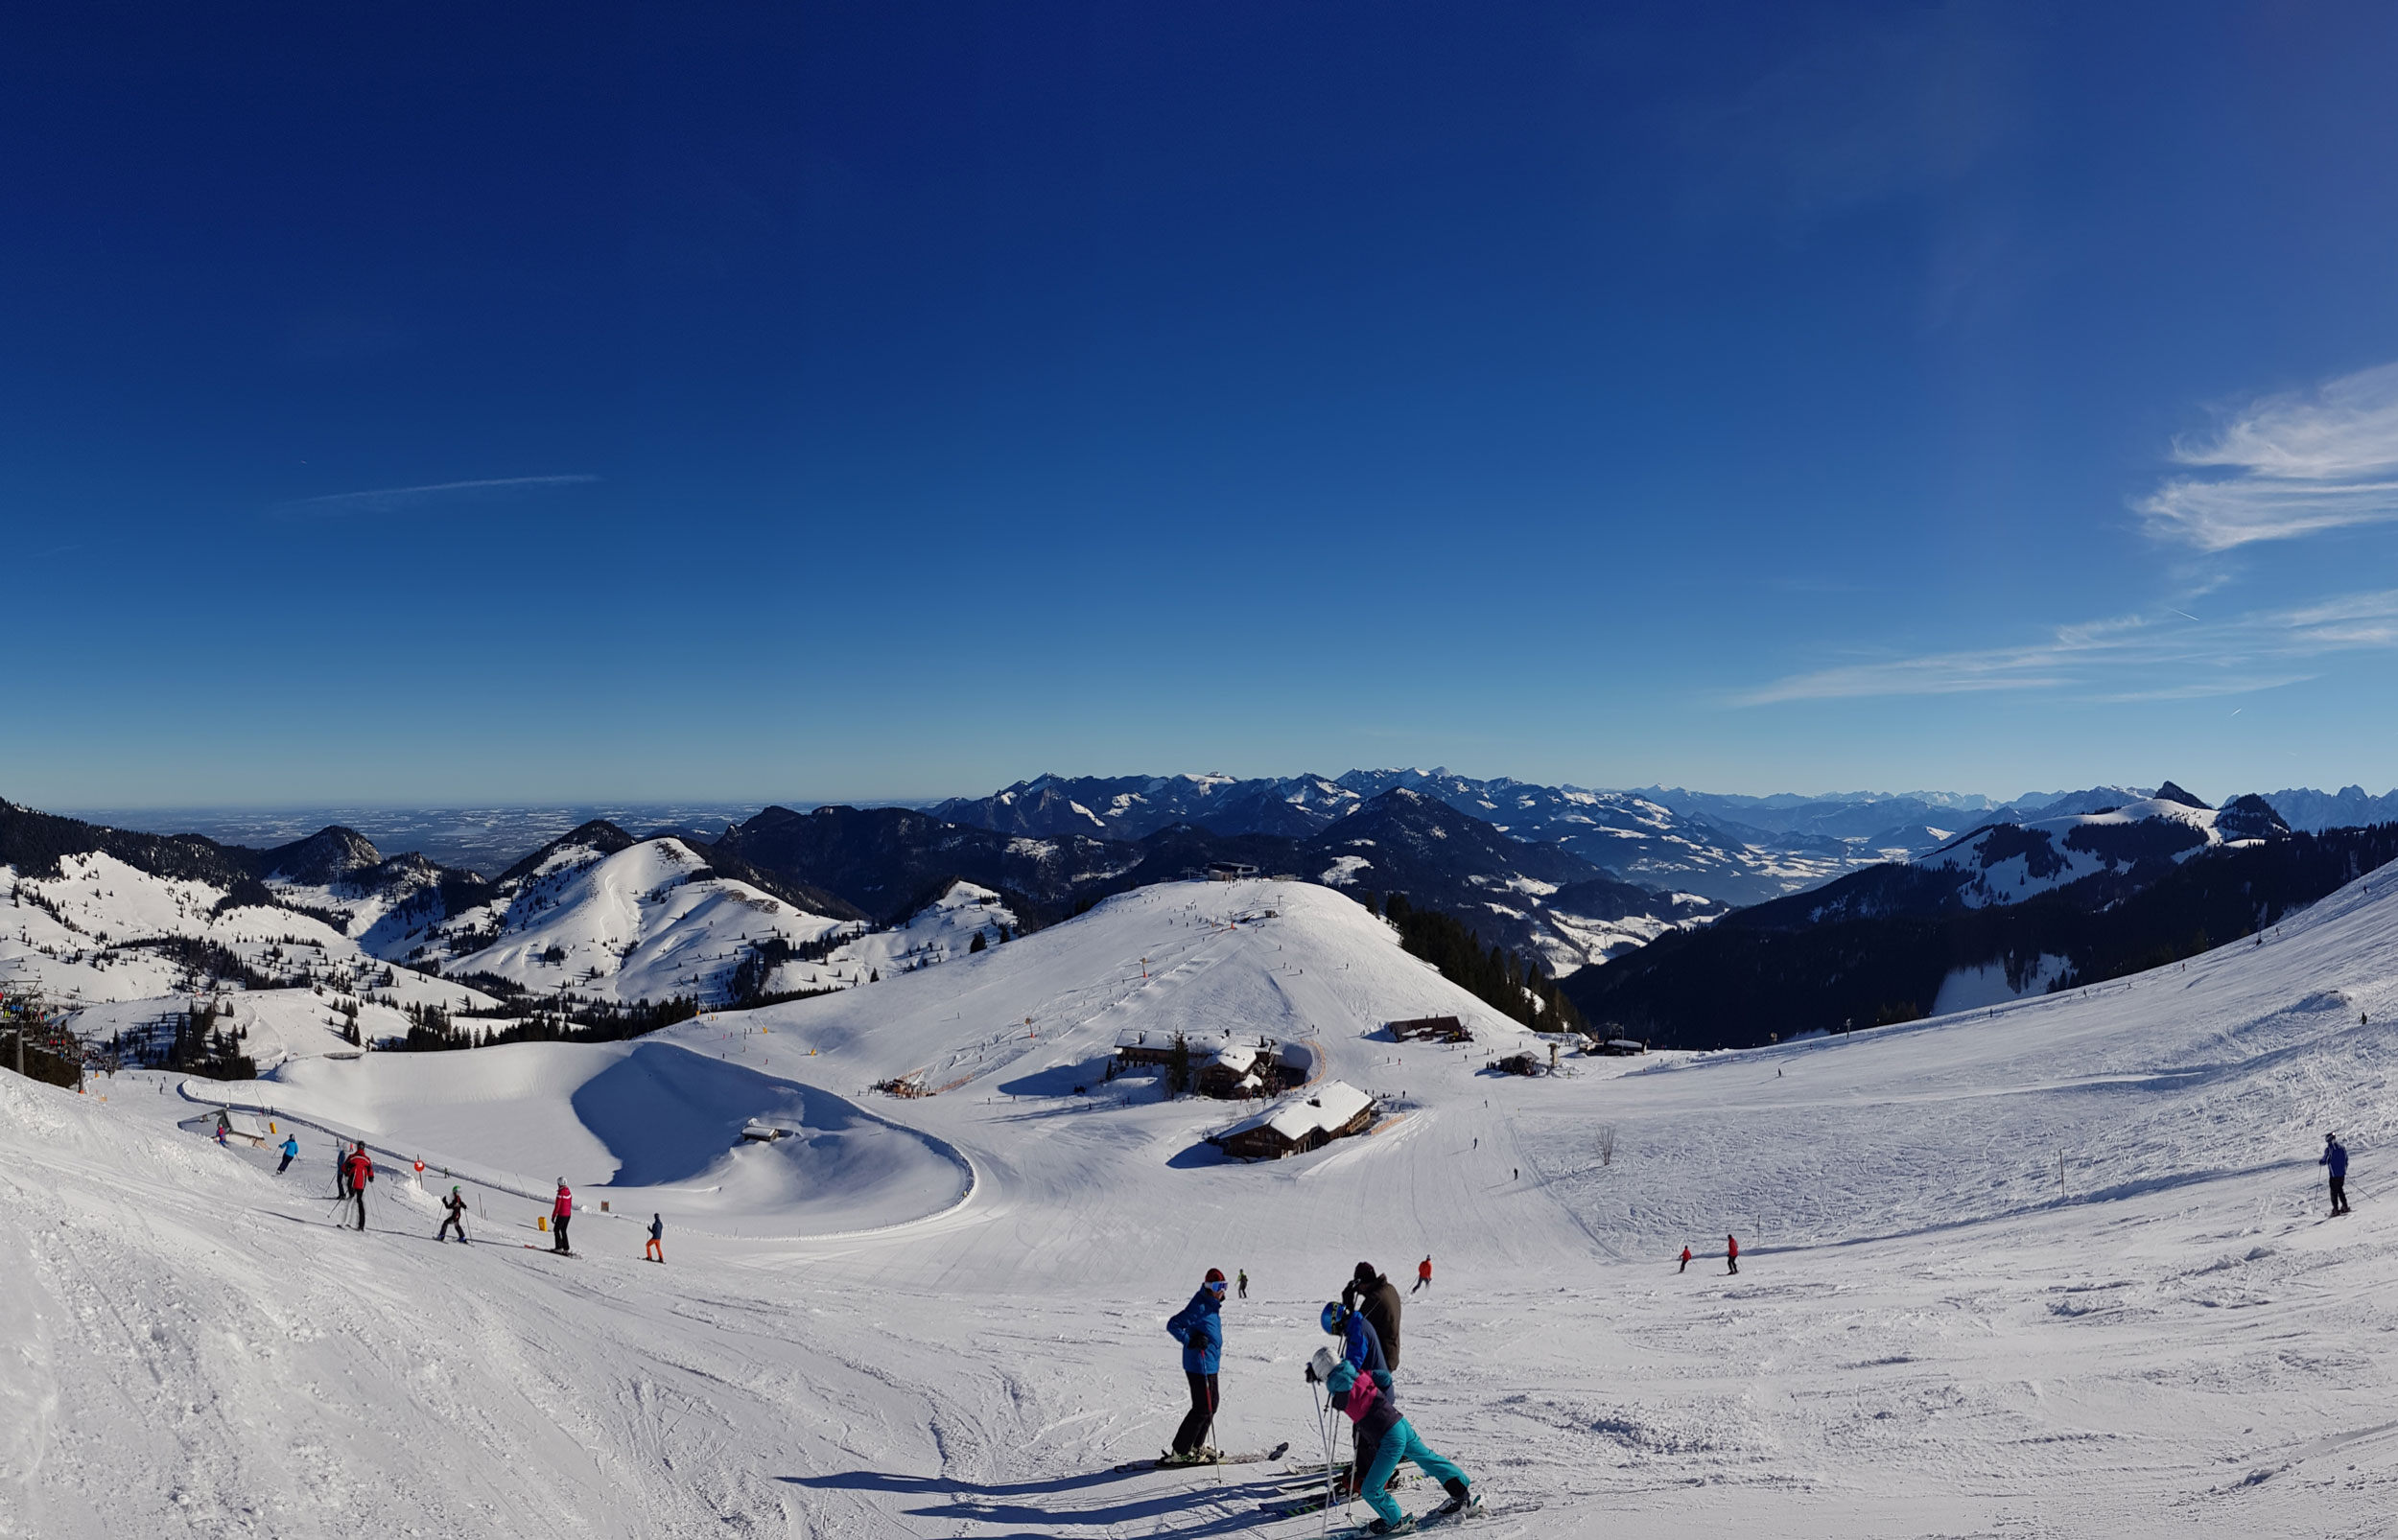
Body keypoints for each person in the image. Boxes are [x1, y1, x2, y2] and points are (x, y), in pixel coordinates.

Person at [1324, 1359, 1477, 1534]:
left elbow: (1340, 1399)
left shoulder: (1338, 1383)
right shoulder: (1359, 1373)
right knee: (1428, 1459)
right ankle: (1461, 1494)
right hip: (1399, 1423)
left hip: (1390, 1437)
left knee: (1370, 1489)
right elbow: (1385, 1379)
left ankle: (1393, 1521)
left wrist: (1334, 1392)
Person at [1163, 1269, 1227, 1462]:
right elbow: (1173, 1324)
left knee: (1211, 1406)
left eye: (1224, 1286)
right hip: (1198, 1364)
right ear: (1208, 1287)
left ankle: (1196, 1446)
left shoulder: (1212, 1306)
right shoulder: (1199, 1305)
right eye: (1218, 1287)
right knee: (1202, 1408)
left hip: (1211, 1363)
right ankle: (1180, 1451)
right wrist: (1190, 1340)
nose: (1222, 1291)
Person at [343, 1143, 374, 1231]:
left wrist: (346, 1172)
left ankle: (346, 1221)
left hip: (352, 1182)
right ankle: (361, 1225)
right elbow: (370, 1171)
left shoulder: (352, 1157)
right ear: (363, 1148)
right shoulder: (367, 1160)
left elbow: (344, 1167)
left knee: (351, 1199)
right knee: (359, 1201)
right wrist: (371, 1178)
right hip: (361, 1183)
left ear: (357, 1147)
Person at [2322, 1133, 2350, 1217]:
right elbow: (2346, 1159)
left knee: (2334, 1192)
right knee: (2340, 1190)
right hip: (2342, 1174)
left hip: (2334, 1175)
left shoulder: (2329, 1149)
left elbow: (2324, 1160)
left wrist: (2321, 1162)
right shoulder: (2342, 1148)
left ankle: (2335, 1209)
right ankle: (2345, 1206)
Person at [552, 1180, 574, 1253]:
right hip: (568, 1215)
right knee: (563, 1230)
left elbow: (557, 1206)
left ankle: (559, 1247)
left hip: (562, 1214)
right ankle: (566, 1247)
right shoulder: (568, 1191)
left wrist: (553, 1216)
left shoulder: (560, 1193)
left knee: (556, 1229)